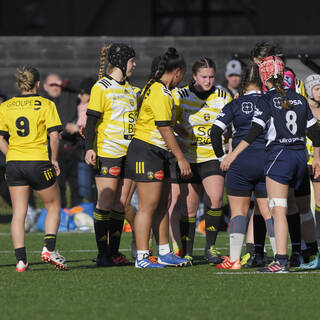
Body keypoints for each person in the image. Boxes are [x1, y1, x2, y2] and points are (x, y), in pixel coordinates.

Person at [220, 56, 320, 273]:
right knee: (296, 208)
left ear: (264, 77)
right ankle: (301, 254)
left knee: (278, 211)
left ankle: (281, 261)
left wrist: (232, 155)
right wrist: (318, 158)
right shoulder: (300, 99)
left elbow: (252, 133)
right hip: (300, 158)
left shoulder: (266, 101)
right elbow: (316, 133)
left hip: (279, 158)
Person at [126, 47, 192, 268]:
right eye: (183, 74)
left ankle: (164, 252)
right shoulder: (159, 91)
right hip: (147, 150)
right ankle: (142, 256)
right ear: (177, 72)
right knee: (148, 205)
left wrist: (178, 129)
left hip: (158, 150)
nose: (182, 79)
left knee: (163, 203)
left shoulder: (160, 89)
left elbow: (164, 124)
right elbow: (162, 128)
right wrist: (181, 157)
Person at [0, 66, 67, 271]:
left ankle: (21, 260)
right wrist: (54, 159)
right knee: (54, 205)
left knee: (19, 213)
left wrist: (11, 155)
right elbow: (54, 136)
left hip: (14, 164)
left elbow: (0, 137)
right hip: (38, 162)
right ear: (38, 84)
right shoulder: (46, 104)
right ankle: (49, 248)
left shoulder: (6, 106)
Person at [211, 63, 276, 269]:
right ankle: (278, 257)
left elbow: (214, 132)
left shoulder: (234, 103)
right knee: (268, 212)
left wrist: (222, 158)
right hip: (266, 160)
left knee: (238, 212)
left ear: (242, 82)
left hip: (240, 162)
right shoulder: (270, 101)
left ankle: (234, 259)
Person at [171, 57, 232, 263]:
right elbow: (168, 123)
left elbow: (230, 127)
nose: (208, 81)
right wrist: (178, 137)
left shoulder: (223, 96)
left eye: (211, 76)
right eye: (204, 77)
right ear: (194, 76)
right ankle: (187, 251)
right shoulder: (180, 96)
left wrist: (228, 150)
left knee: (215, 199)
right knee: (188, 208)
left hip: (212, 156)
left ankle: (211, 248)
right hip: (188, 158)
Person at [85, 43, 137, 266]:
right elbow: (91, 120)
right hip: (108, 152)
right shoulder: (101, 87)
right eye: (132, 61)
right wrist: (89, 147)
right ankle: (102, 253)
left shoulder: (133, 90)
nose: (134, 64)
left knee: (121, 203)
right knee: (105, 202)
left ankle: (114, 252)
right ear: (122, 62)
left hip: (130, 154)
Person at [43, 73, 82, 208]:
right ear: (45, 87)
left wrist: (66, 84)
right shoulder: (43, 102)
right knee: (59, 186)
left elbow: (85, 87)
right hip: (55, 150)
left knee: (77, 186)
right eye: (51, 85)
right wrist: (63, 129)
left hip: (72, 148)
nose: (55, 87)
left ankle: (77, 215)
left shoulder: (69, 95)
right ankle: (61, 215)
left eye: (57, 84)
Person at [305, 74, 320, 245]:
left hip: (318, 162)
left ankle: (317, 239)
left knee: (318, 202)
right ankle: (303, 243)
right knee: (300, 204)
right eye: (316, 88)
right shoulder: (303, 109)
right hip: (303, 160)